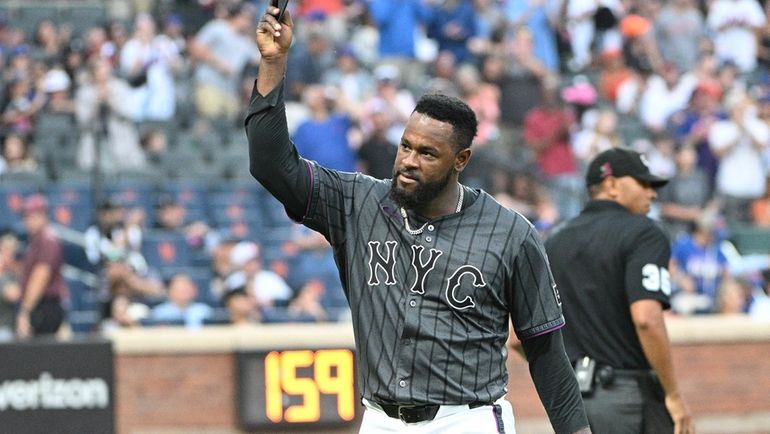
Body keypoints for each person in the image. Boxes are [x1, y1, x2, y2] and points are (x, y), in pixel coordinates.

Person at [246, 5, 590, 433]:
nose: (408, 161)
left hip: (467, 419)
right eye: (406, 146)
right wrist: (274, 62)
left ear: (461, 159)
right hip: (380, 419)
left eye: (427, 153)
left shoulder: (510, 233)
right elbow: (270, 164)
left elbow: (544, 350)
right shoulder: (357, 202)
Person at [544, 148, 694, 434]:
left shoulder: (553, 241)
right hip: (628, 397)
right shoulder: (644, 232)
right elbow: (646, 318)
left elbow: (518, 337)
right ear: (611, 184)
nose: (652, 193)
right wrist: (673, 395)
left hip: (573, 404)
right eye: (643, 183)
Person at [16, 195, 66, 338]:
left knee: (40, 356)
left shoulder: (47, 241)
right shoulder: (36, 241)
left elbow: (40, 276)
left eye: (31, 216)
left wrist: (25, 312)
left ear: (42, 215)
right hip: (40, 305)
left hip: (45, 307)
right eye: (25, 216)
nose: (27, 221)